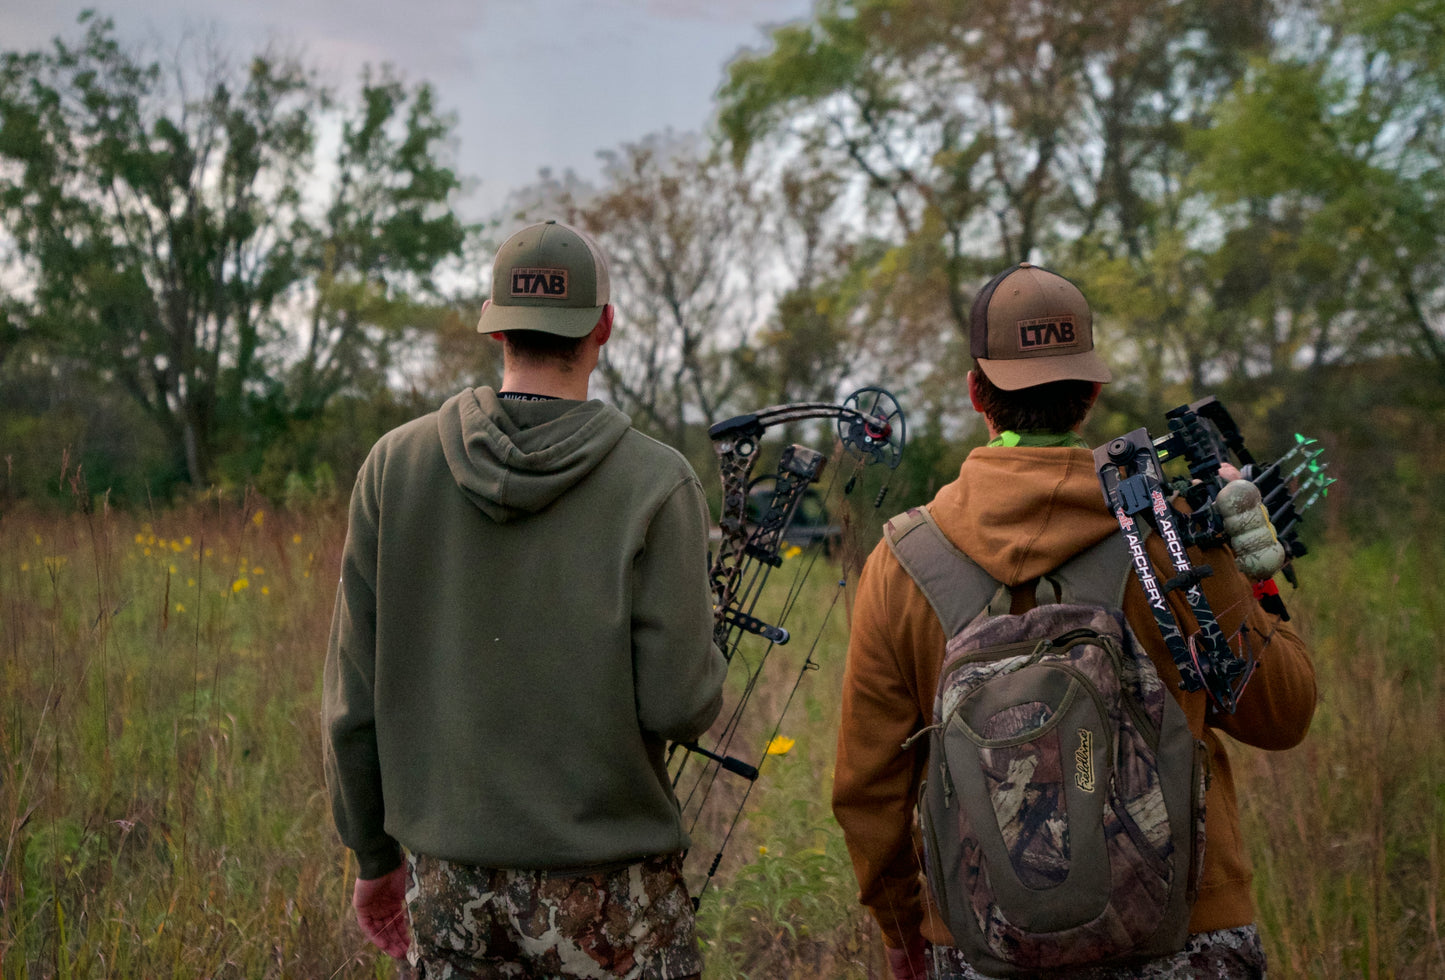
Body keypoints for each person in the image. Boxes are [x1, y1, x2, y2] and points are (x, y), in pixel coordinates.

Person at [832, 262, 1317, 979]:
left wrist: (906, 931)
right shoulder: (1170, 535)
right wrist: (1254, 567)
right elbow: (1283, 714)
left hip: (979, 949)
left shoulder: (900, 562)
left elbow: (866, 786)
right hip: (1185, 938)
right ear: (1089, 394)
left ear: (976, 393)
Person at [323, 219, 728, 979]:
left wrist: (372, 857)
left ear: (495, 324)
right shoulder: (657, 481)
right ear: (603, 325)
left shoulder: (393, 468)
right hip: (616, 902)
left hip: (447, 892)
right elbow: (680, 704)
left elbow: (353, 701)